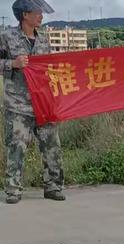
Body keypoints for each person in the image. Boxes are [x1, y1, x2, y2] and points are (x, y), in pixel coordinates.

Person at [0, 0, 65, 204]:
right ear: (25, 15)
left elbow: (50, 71)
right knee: (17, 145)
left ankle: (53, 186)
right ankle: (13, 189)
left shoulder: (44, 41)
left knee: (52, 144)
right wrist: (12, 63)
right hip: (17, 104)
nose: (41, 15)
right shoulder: (6, 37)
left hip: (42, 104)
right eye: (37, 12)